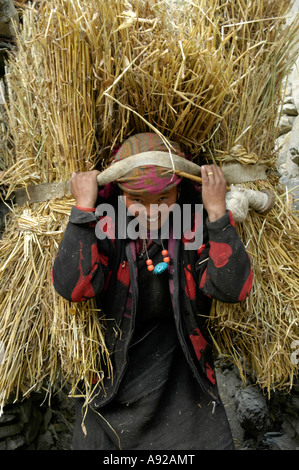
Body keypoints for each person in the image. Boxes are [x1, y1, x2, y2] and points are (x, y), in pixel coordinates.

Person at [52, 132, 253, 450]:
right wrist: (83, 209)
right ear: (119, 195)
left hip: (183, 373)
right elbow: (73, 288)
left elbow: (233, 289)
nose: (152, 213)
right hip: (112, 379)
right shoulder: (107, 229)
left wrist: (217, 213)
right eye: (138, 201)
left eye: (163, 199)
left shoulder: (194, 228)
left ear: (179, 191)